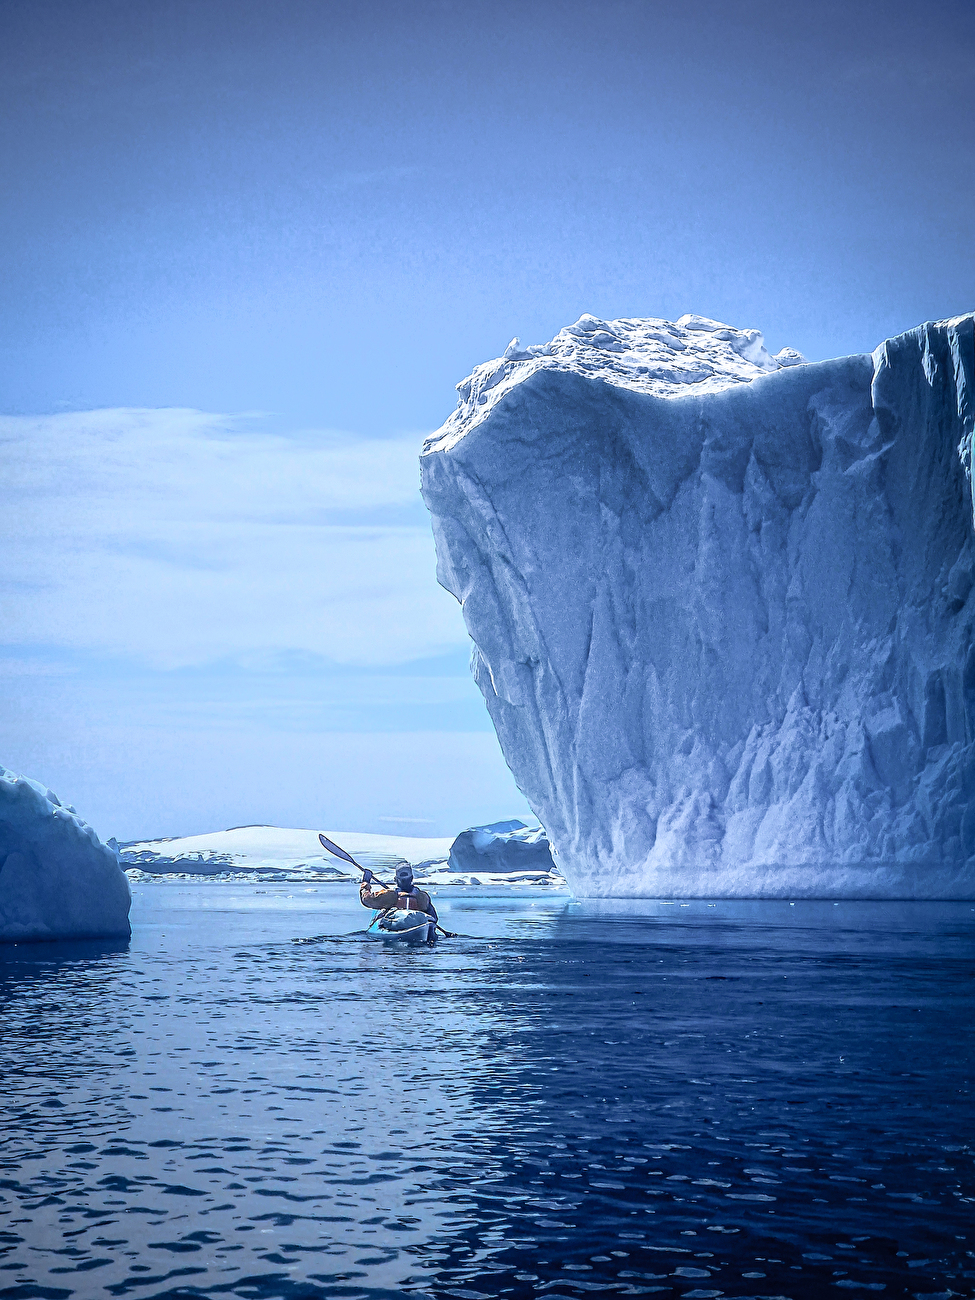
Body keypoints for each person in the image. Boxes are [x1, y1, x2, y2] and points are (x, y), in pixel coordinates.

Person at [359, 863, 438, 924]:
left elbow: (366, 899)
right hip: (417, 926)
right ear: (411, 878)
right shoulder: (422, 897)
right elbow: (434, 918)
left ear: (396, 879)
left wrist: (365, 883)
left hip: (396, 926)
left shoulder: (389, 896)